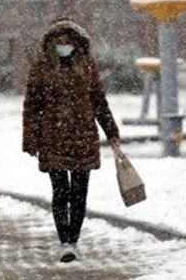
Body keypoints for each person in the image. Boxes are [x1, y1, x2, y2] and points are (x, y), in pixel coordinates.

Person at [22, 18, 121, 263]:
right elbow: (32, 106)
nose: (64, 45)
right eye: (60, 41)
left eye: (68, 40)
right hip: (52, 137)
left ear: (77, 42)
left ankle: (73, 238)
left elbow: (99, 101)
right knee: (60, 191)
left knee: (79, 192)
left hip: (82, 137)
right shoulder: (42, 67)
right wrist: (30, 138)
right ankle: (64, 240)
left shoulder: (87, 66)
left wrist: (111, 131)